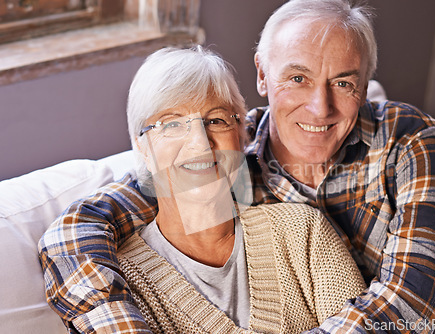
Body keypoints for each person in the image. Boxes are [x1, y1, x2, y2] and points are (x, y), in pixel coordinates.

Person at [39, 0, 435, 332]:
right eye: (297, 78)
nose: (320, 108)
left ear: (363, 87)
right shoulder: (232, 155)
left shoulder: (408, 139)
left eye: (343, 83)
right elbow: (89, 223)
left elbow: (410, 303)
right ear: (263, 75)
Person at [39, 46, 365, 333]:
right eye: (172, 124)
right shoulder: (120, 281)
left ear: (243, 136)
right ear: (142, 148)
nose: (199, 144)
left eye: (217, 120)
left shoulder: (302, 232)